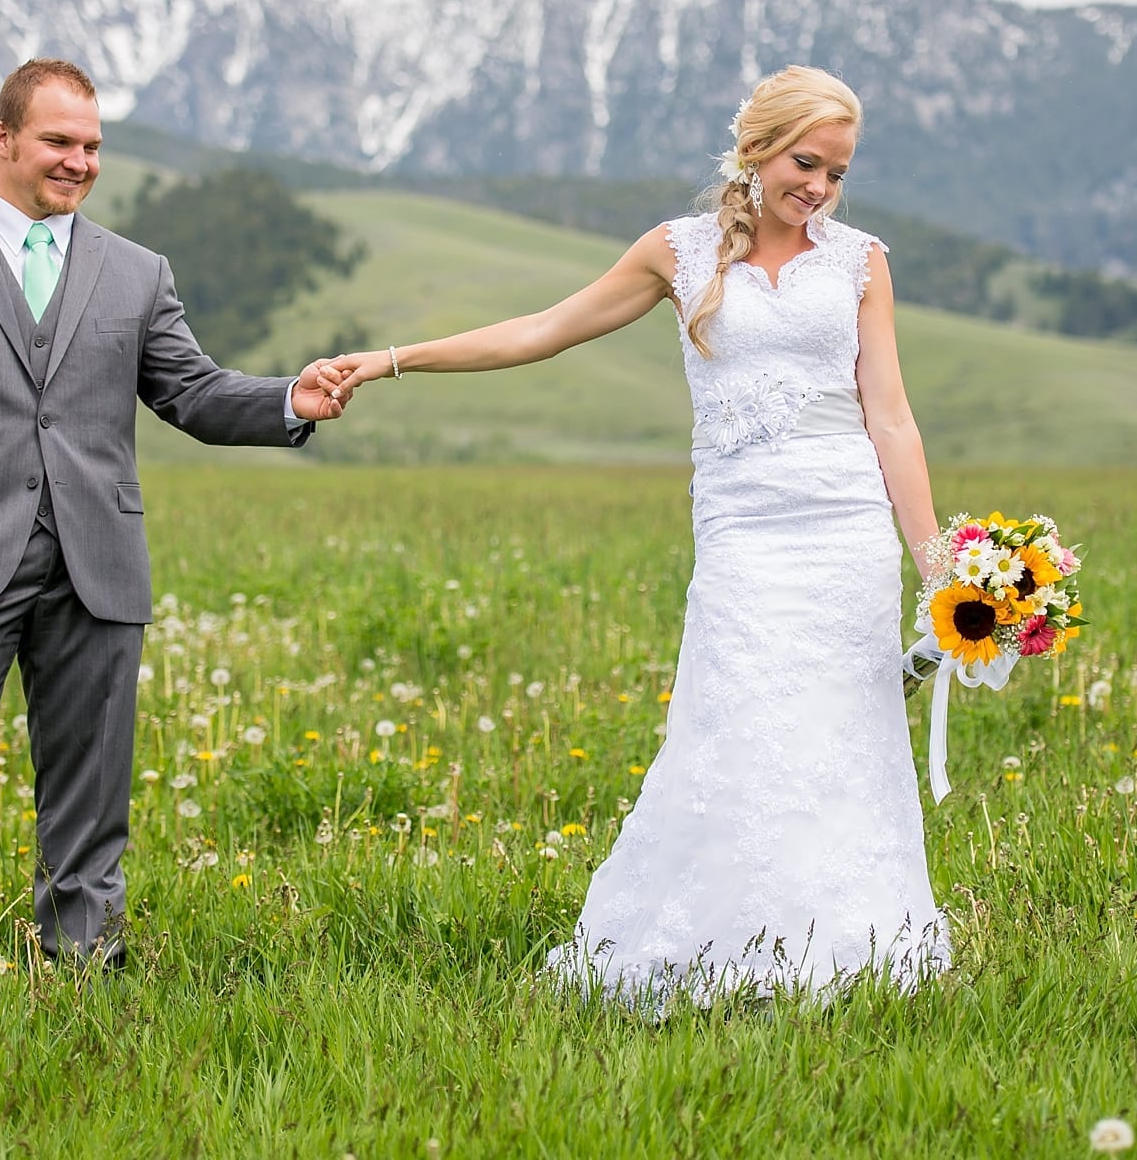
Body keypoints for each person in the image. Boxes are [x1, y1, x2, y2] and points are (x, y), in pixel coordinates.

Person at [331, 65, 950, 1003]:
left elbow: (892, 418)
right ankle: (721, 940)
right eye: (805, 162)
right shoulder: (678, 252)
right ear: (758, 149)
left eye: (836, 172)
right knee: (737, 722)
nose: (818, 188)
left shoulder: (863, 261)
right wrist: (390, 360)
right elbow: (543, 328)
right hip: (743, 535)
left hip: (847, 532)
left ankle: (851, 946)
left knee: (846, 733)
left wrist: (939, 567)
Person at [0, 58, 350, 967]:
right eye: (59, 142)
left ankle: (82, 961)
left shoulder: (137, 273)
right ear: (4, 138)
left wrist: (287, 402)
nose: (79, 162)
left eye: (93, 146)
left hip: (97, 560)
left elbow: (192, 392)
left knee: (92, 780)